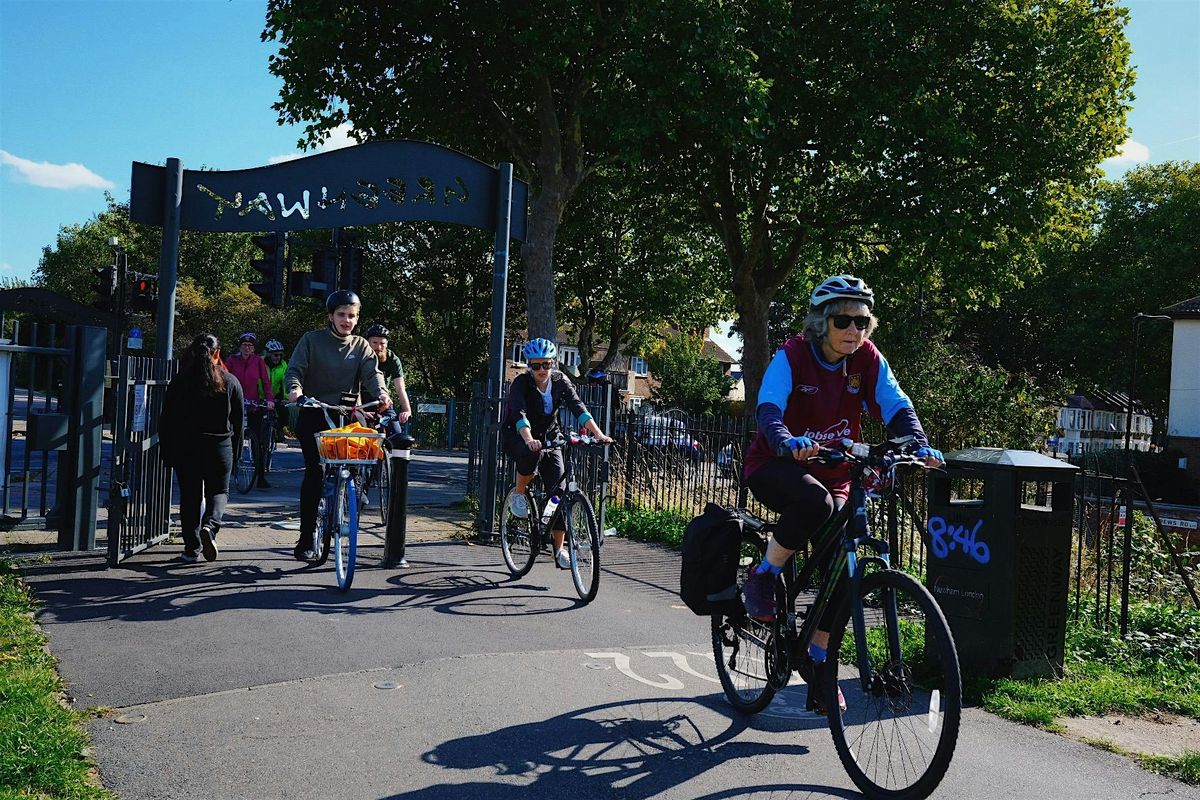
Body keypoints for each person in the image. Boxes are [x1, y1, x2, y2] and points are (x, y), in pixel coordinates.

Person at [739, 274, 944, 712]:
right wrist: (784, 439)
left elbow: (896, 403)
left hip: (835, 472)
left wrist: (917, 443)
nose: (854, 330)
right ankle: (763, 575)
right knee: (813, 502)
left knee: (844, 570)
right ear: (821, 323)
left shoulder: (867, 358)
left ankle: (818, 660)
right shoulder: (793, 355)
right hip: (776, 465)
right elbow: (769, 405)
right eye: (843, 321)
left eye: (862, 322)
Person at [284, 290, 391, 562]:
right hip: (315, 413)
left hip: (347, 417)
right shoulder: (312, 340)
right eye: (341, 314)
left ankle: (349, 499)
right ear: (330, 316)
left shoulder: (361, 346)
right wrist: (295, 391)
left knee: (356, 465)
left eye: (352, 316)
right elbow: (294, 370)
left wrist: (381, 393)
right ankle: (306, 537)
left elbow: (372, 374)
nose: (347, 320)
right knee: (315, 473)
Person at [502, 338, 613, 569]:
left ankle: (559, 549)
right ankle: (519, 494)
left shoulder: (560, 381)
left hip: (550, 435)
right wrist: (529, 439)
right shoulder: (521, 384)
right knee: (530, 454)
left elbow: (578, 407)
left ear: (553, 363)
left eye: (546, 364)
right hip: (520, 433)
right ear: (529, 365)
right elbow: (519, 413)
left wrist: (599, 435)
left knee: (559, 493)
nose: (542, 370)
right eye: (536, 365)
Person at [158, 333, 244, 562]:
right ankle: (211, 525)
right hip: (219, 445)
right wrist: (236, 452)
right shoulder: (230, 381)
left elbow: (166, 419)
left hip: (186, 446)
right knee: (219, 491)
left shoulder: (180, 381)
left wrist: (167, 451)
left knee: (190, 496)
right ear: (217, 353)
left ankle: (191, 549)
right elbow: (238, 421)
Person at [224, 332, 276, 489]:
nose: (247, 348)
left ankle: (260, 476)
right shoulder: (232, 360)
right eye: (244, 345)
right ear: (240, 346)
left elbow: (266, 382)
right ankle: (227, 474)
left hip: (253, 405)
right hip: (235, 404)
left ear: (254, 348)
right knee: (230, 439)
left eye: (250, 346)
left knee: (259, 442)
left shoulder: (258, 361)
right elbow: (224, 379)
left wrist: (270, 400)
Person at [364, 324, 412, 426]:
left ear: (387, 344)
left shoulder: (392, 359)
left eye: (382, 343)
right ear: (368, 342)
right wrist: (360, 412)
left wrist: (407, 410)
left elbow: (400, 388)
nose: (378, 347)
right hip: (360, 404)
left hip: (382, 403)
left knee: (396, 433)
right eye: (375, 343)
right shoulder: (360, 357)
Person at [263, 339, 292, 441]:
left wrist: (285, 397)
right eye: (275, 355)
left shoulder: (283, 365)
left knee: (284, 415)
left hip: (276, 395)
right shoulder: (260, 362)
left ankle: (278, 429)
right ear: (268, 354)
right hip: (261, 395)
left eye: (280, 355)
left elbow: (285, 382)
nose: (278, 357)